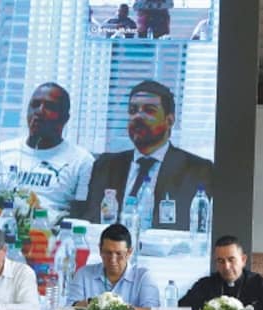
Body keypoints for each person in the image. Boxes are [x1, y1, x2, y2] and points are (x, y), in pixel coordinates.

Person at [78, 80, 212, 231]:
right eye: (133, 110)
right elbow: (92, 220)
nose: (138, 117)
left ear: (169, 120)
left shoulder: (196, 169)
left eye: (149, 110)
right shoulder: (106, 165)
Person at [0, 82, 93, 214]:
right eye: (35, 105)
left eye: (49, 107)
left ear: (65, 118)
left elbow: (83, 219)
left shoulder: (82, 161)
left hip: (51, 232)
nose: (39, 111)